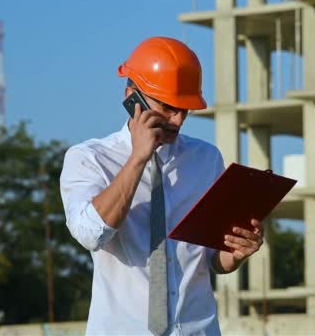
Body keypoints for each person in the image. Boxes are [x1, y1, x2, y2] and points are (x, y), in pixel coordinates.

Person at [60, 36, 263, 335]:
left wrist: (236, 253)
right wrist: (137, 159)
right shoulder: (88, 158)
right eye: (168, 107)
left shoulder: (206, 159)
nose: (178, 120)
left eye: (186, 109)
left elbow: (211, 260)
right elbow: (90, 234)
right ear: (132, 97)